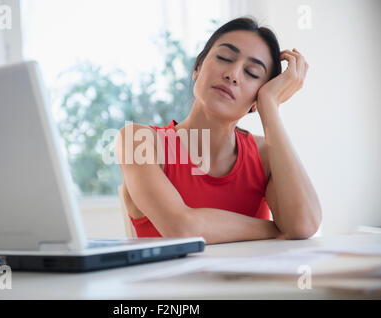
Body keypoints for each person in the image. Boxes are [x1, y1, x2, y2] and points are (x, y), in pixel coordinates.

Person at [114, 17, 322, 244]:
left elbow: (303, 224)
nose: (233, 74)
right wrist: (277, 229)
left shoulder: (265, 155)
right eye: (224, 58)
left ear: (257, 98)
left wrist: (270, 107)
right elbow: (182, 228)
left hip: (250, 280)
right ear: (197, 69)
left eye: (252, 73)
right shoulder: (139, 141)